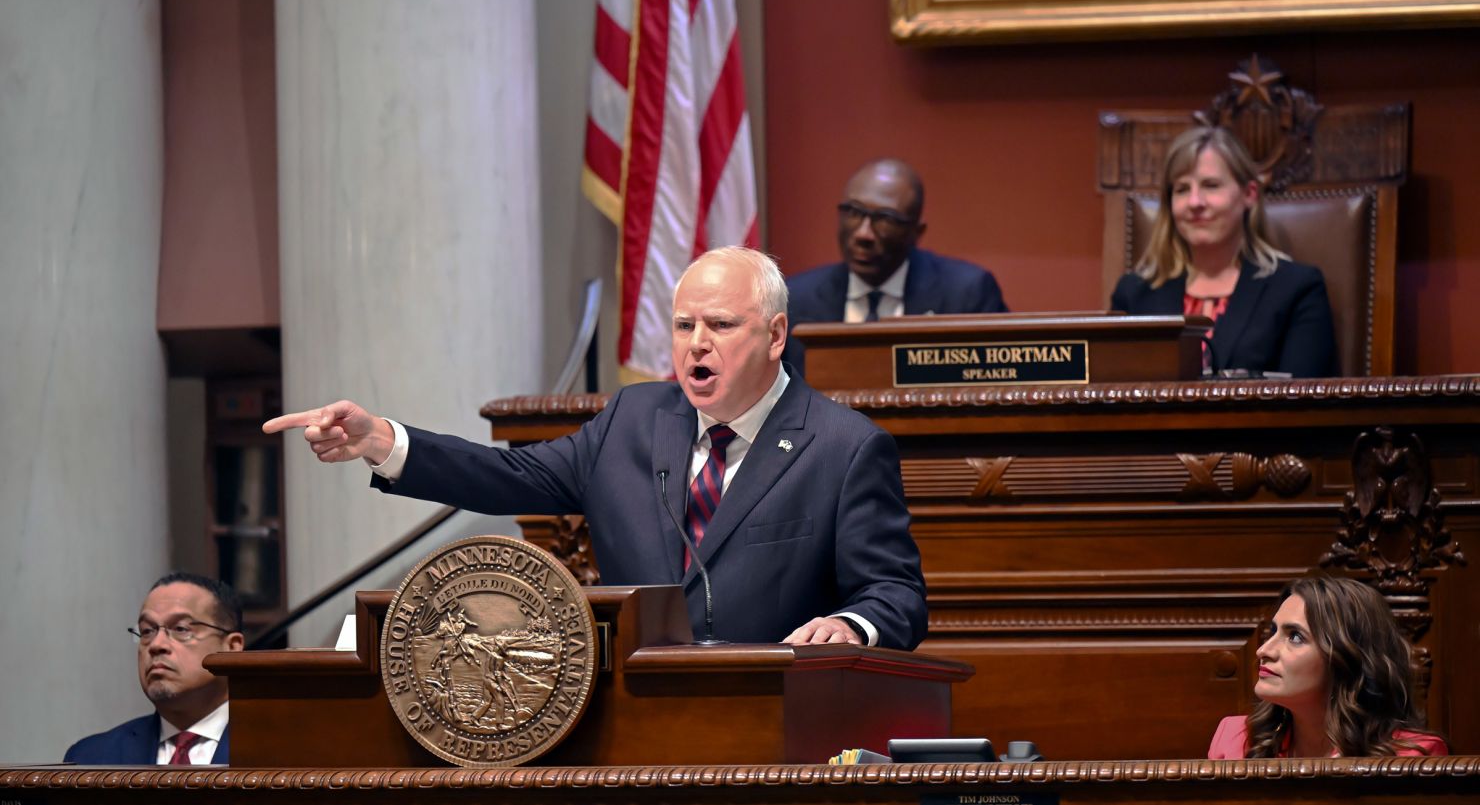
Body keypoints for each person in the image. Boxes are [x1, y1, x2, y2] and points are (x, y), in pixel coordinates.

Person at [263, 247, 928, 650]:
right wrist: (384, 440)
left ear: (776, 334)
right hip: (631, 732)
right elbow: (508, 475)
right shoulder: (633, 419)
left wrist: (851, 625)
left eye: (721, 325)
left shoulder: (844, 448)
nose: (696, 342)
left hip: (775, 732)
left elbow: (896, 594)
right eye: (683, 324)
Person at [1110, 127, 1338, 378]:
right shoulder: (1133, 294)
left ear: (1249, 194)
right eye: (1182, 189)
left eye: (1211, 185)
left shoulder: (1297, 289)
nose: (1195, 202)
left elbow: (1309, 401)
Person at [783, 158, 1007, 372]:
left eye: (885, 219)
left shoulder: (966, 295)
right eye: (854, 212)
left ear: (916, 233)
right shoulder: (795, 299)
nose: (863, 234)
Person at [1208, 576, 1448, 758]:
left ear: (1346, 658)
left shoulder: (1415, 755)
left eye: (1295, 637)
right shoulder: (1234, 739)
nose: (1264, 651)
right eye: (1273, 632)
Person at [65, 573, 245, 764]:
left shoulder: (277, 747)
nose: (156, 645)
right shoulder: (90, 758)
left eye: (181, 629)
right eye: (147, 631)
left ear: (232, 647)